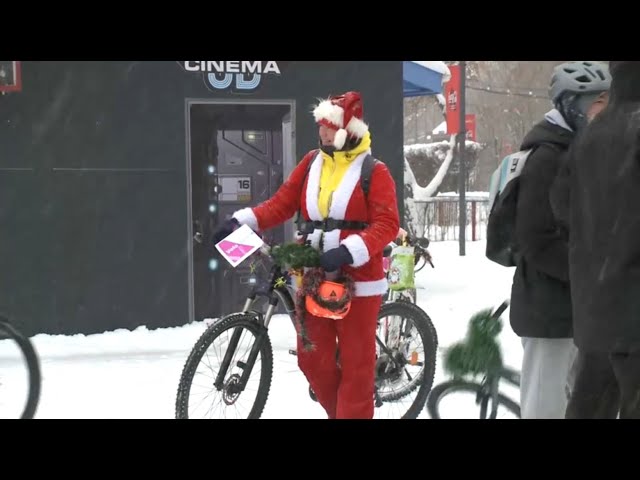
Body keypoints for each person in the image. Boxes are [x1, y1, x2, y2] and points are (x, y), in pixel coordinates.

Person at [212, 91, 400, 419]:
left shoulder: (374, 171)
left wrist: (349, 250)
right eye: (321, 126)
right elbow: (282, 203)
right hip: (312, 275)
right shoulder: (312, 162)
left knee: (357, 366)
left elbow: (387, 223)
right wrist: (242, 220)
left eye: (329, 126)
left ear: (348, 129)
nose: (322, 132)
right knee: (312, 358)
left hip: (359, 282)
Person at [509, 61, 611, 419]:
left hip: (577, 306)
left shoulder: (581, 149)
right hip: (547, 309)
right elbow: (535, 239)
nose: (603, 111)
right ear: (572, 104)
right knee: (545, 407)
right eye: (597, 103)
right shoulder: (547, 157)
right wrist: (587, 270)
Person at [556, 61, 640, 419]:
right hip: (635, 320)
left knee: (589, 409)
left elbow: (560, 207)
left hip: (595, 317)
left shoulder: (586, 137)